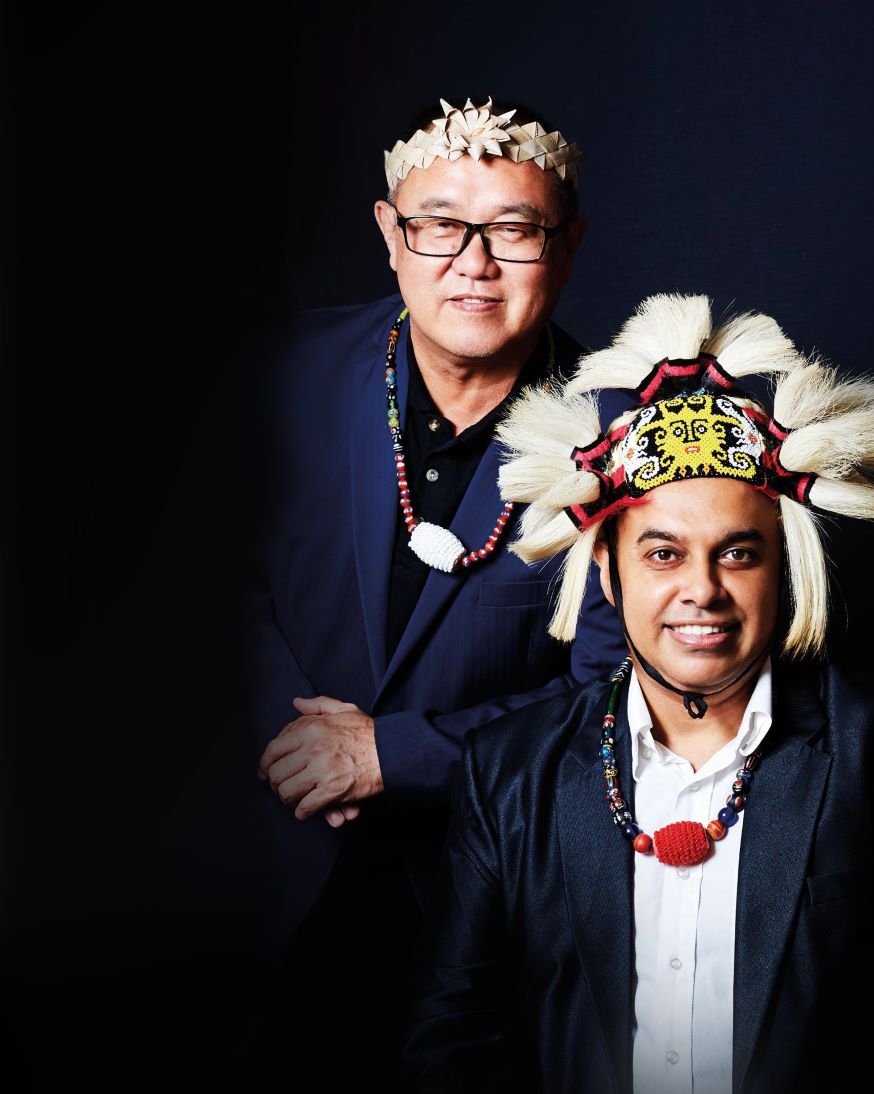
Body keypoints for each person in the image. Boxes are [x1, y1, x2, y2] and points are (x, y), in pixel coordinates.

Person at [406, 294, 874, 1091]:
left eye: (738, 554)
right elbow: (451, 1040)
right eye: (662, 554)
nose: (702, 590)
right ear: (608, 571)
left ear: (783, 569)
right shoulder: (508, 773)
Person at [245, 96, 625, 1080]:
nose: (472, 261)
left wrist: (392, 753)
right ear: (389, 233)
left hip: (487, 908)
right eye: (439, 224)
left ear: (569, 245)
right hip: (251, 863)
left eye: (514, 230)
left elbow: (620, 700)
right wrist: (290, 744)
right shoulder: (282, 370)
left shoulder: (624, 437)